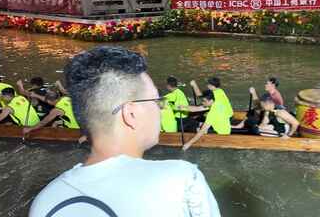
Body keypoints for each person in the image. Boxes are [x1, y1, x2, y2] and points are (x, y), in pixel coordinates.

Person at [29, 46, 220, 217]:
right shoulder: (183, 181)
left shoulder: (44, 201)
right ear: (131, 114)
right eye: (155, 101)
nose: (160, 108)